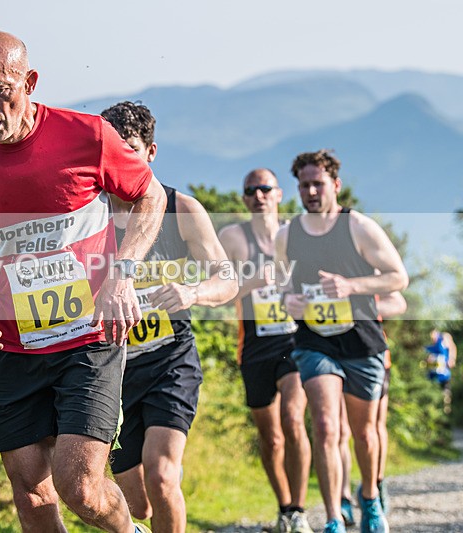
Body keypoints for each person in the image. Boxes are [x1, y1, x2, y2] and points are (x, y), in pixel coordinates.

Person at [0, 31, 167, 533]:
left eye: (1, 90)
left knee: (79, 486)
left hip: (90, 337)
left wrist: (123, 275)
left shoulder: (86, 136)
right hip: (18, 346)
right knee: (31, 494)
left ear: (30, 82)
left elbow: (152, 198)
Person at [100, 101, 237, 533]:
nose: (121, 161)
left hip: (169, 363)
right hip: (112, 370)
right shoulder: (88, 214)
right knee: (135, 504)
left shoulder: (182, 209)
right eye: (111, 151)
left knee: (162, 477)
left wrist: (192, 291)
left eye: (131, 149)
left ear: (151, 152)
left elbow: (228, 278)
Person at [275, 149, 409, 533]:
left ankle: (369, 497)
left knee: (366, 434)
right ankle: (333, 516)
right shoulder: (288, 235)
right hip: (314, 342)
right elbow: (283, 285)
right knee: (326, 426)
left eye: (318, 184)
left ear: (335, 185)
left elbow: (397, 278)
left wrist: (351, 286)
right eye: (304, 185)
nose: (311, 191)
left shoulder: (359, 227)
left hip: (362, 340)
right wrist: (290, 300)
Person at [218, 168, 313, 533]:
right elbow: (217, 290)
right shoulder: (232, 238)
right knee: (271, 436)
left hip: (294, 340)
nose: (258, 195)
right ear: (244, 199)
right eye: (250, 190)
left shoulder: (299, 235)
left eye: (265, 188)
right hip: (254, 344)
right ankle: (285, 506)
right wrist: (251, 281)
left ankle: (299, 511)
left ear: (279, 195)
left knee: (292, 418)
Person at [339, 292, 407, 525]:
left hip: (372, 352)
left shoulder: (369, 265)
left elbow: (398, 302)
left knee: (375, 427)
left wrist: (362, 305)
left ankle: (376, 485)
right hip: (332, 350)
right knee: (338, 428)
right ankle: (342, 497)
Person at [426, 329, 457, 414]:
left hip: (444, 369)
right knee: (430, 388)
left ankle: (446, 410)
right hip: (433, 369)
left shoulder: (444, 336)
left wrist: (452, 359)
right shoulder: (427, 338)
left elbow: (452, 347)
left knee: (446, 389)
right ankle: (432, 410)